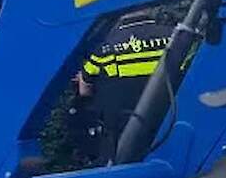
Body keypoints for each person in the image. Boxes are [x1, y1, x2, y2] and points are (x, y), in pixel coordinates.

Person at [72, 9, 175, 164]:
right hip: (167, 124)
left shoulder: (104, 44)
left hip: (119, 134)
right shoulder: (173, 37)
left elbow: (84, 89)